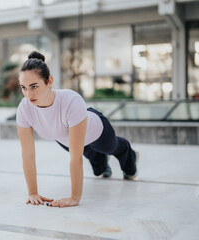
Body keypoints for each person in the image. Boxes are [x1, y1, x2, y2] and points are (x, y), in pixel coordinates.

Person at [16, 51, 138, 208]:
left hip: (96, 131)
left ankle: (128, 152)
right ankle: (101, 162)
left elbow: (76, 157)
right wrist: (32, 193)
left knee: (112, 148)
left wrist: (75, 197)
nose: (28, 94)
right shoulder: (24, 109)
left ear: (49, 81)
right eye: (23, 88)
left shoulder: (70, 100)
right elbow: (28, 155)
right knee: (99, 170)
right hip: (68, 139)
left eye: (34, 86)